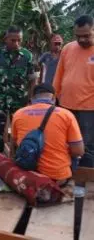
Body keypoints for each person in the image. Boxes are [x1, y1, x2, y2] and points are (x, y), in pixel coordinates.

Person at [11, 83, 84, 181]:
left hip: (27, 175)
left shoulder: (18, 114)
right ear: (53, 99)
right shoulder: (66, 115)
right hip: (56, 177)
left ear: (32, 99)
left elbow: (15, 143)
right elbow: (78, 151)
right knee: (75, 155)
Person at [53, 15, 94, 168]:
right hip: (66, 106)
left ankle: (81, 187)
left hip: (89, 109)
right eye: (78, 36)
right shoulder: (68, 48)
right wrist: (53, 97)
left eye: (86, 36)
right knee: (65, 143)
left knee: (87, 147)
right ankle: (68, 176)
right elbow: (59, 74)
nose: (82, 40)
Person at [0, 26, 36, 153]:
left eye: (19, 40)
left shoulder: (27, 56)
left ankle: (19, 156)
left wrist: (31, 98)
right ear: (5, 39)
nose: (16, 43)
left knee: (20, 130)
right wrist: (0, 85)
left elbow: (32, 79)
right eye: (13, 40)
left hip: (19, 100)